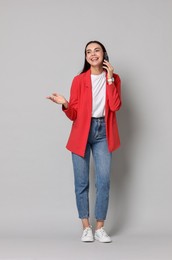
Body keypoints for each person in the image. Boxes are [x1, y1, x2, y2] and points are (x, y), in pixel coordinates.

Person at [47, 40, 121, 243]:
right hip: (82, 132)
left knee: (103, 181)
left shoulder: (114, 78)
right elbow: (74, 115)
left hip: (104, 132)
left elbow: (115, 106)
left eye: (96, 50)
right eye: (88, 52)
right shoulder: (79, 80)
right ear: (86, 57)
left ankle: (100, 228)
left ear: (104, 53)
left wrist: (110, 79)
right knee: (81, 182)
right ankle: (86, 227)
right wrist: (65, 104)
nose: (92, 54)